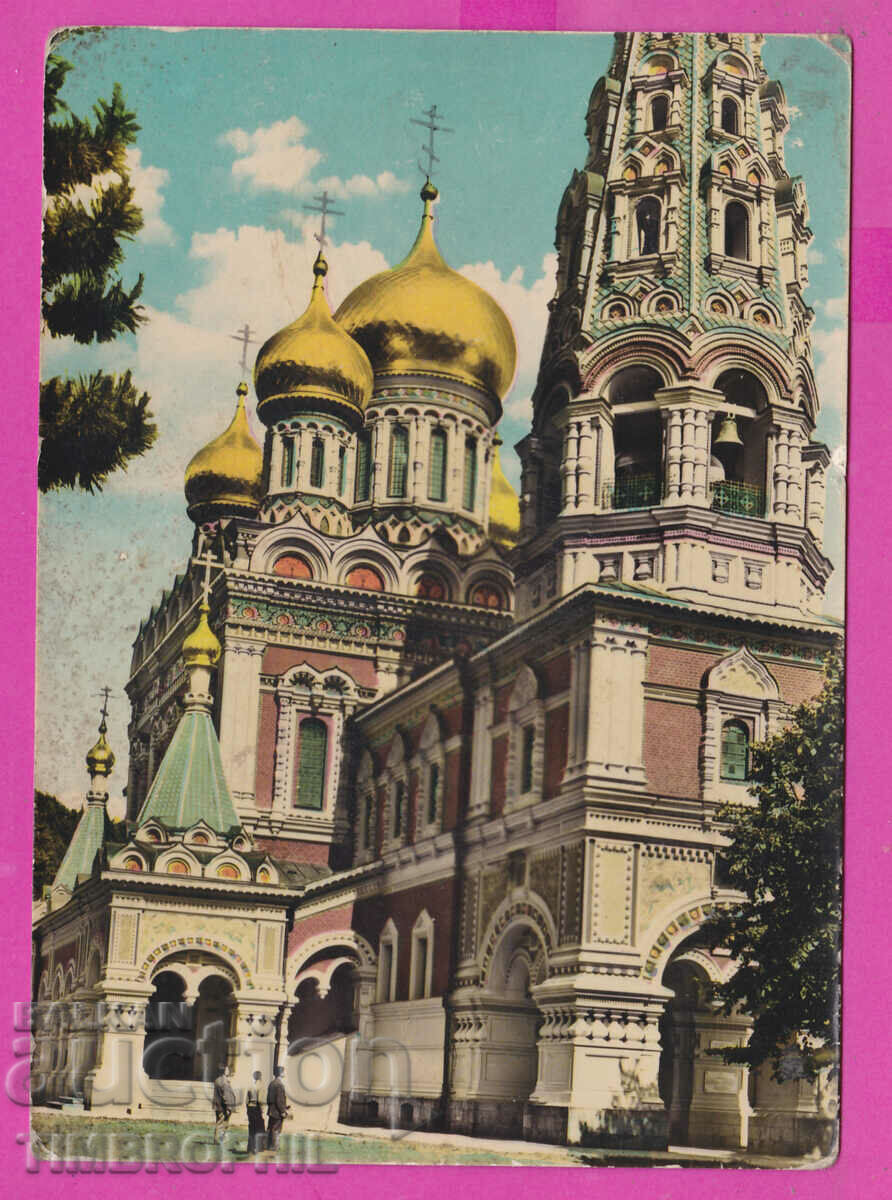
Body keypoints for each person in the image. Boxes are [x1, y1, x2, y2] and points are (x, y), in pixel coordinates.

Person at [266, 1065, 289, 1150]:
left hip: (271, 1110)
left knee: (270, 1128)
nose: (285, 1073)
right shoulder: (279, 1084)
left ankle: (268, 1145)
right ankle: (274, 1147)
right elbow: (279, 1100)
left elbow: (268, 1099)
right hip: (277, 1111)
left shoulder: (272, 1083)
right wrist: (282, 1111)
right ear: (281, 1073)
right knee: (276, 1129)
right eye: (283, 1071)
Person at [213, 1063, 237, 1145]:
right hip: (223, 1106)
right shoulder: (224, 1082)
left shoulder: (217, 1080)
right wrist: (228, 1107)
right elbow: (225, 1096)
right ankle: (219, 1140)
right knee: (223, 1123)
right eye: (227, 1070)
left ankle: (218, 1140)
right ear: (224, 1071)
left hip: (218, 1105)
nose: (228, 1071)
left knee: (219, 1122)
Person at [246, 1069, 266, 1153]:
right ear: (260, 1077)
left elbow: (246, 1101)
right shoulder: (261, 1086)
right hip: (257, 1109)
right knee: (259, 1129)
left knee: (251, 1128)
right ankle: (257, 1147)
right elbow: (261, 1100)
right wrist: (262, 1110)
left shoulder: (250, 1086)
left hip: (250, 1108)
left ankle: (250, 1147)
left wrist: (248, 1109)